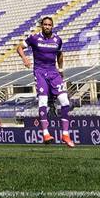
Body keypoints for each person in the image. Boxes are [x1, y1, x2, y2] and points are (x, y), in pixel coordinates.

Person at [16, 16, 74, 147]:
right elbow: (19, 48)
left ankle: (65, 134)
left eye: (49, 25)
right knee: (42, 101)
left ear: (52, 26)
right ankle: (46, 133)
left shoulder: (57, 40)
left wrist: (61, 69)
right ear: (41, 26)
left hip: (54, 73)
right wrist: (24, 58)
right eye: (45, 24)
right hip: (40, 72)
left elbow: (59, 54)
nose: (47, 26)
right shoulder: (34, 38)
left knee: (65, 101)